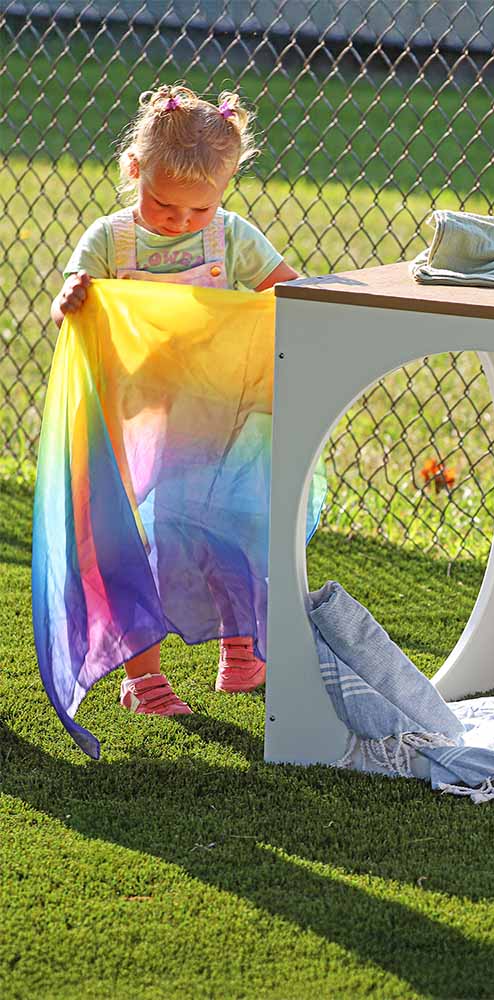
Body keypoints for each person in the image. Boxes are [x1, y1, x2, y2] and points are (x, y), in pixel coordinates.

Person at [51, 84, 299, 716]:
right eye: (164, 204)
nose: (182, 222)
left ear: (225, 191)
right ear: (134, 170)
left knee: (222, 527)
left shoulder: (232, 238)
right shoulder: (112, 241)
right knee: (123, 541)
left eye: (200, 210)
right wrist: (72, 300)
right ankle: (145, 678)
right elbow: (72, 301)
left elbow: (293, 293)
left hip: (212, 420)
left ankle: (242, 647)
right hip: (131, 421)